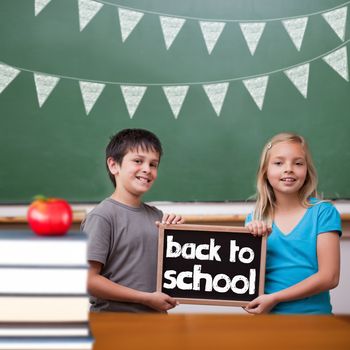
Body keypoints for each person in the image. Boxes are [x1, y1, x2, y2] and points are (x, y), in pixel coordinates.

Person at [81, 128, 184, 313]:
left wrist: (180, 238)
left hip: (156, 325)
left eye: (153, 164)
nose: (147, 169)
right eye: (138, 161)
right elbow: (88, 280)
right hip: (113, 325)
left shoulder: (158, 218)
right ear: (114, 165)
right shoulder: (102, 216)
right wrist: (145, 298)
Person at [244, 132, 341, 314]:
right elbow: (246, 284)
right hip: (268, 323)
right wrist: (250, 241)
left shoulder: (323, 212)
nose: (289, 169)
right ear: (265, 171)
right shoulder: (254, 219)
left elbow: (330, 277)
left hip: (315, 320)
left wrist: (276, 297)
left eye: (298, 163)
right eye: (279, 163)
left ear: (307, 170)